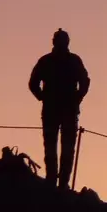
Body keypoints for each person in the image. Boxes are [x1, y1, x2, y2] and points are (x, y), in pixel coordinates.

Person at [28, 28, 90, 189]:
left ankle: (56, 182)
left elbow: (85, 82)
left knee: (56, 147)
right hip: (60, 110)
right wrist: (76, 98)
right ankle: (60, 183)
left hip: (56, 110)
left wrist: (44, 97)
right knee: (58, 147)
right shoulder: (67, 61)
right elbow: (85, 82)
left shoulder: (48, 61)